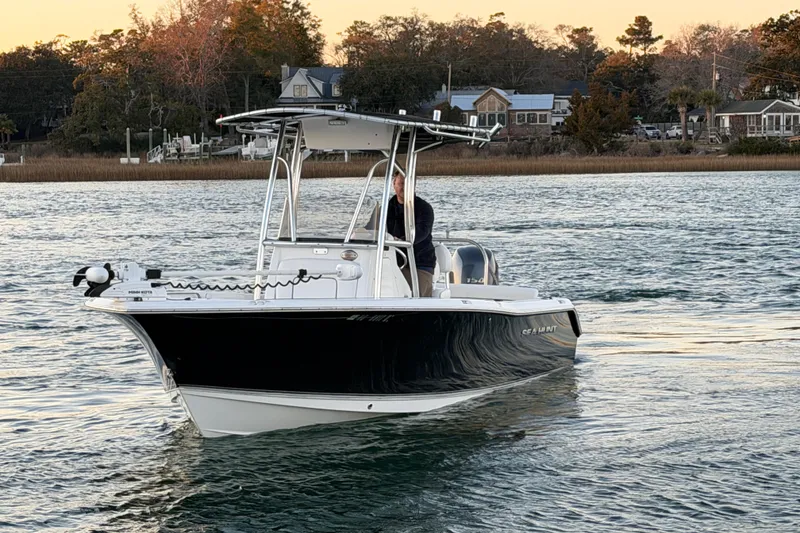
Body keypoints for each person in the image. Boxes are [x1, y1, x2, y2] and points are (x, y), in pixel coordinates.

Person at [385, 170, 435, 297]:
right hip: (392, 263)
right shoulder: (385, 209)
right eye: (401, 183)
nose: (404, 187)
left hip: (420, 263)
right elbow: (373, 228)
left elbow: (422, 232)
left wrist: (400, 241)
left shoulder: (424, 208)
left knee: (412, 296)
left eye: (408, 184)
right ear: (393, 184)